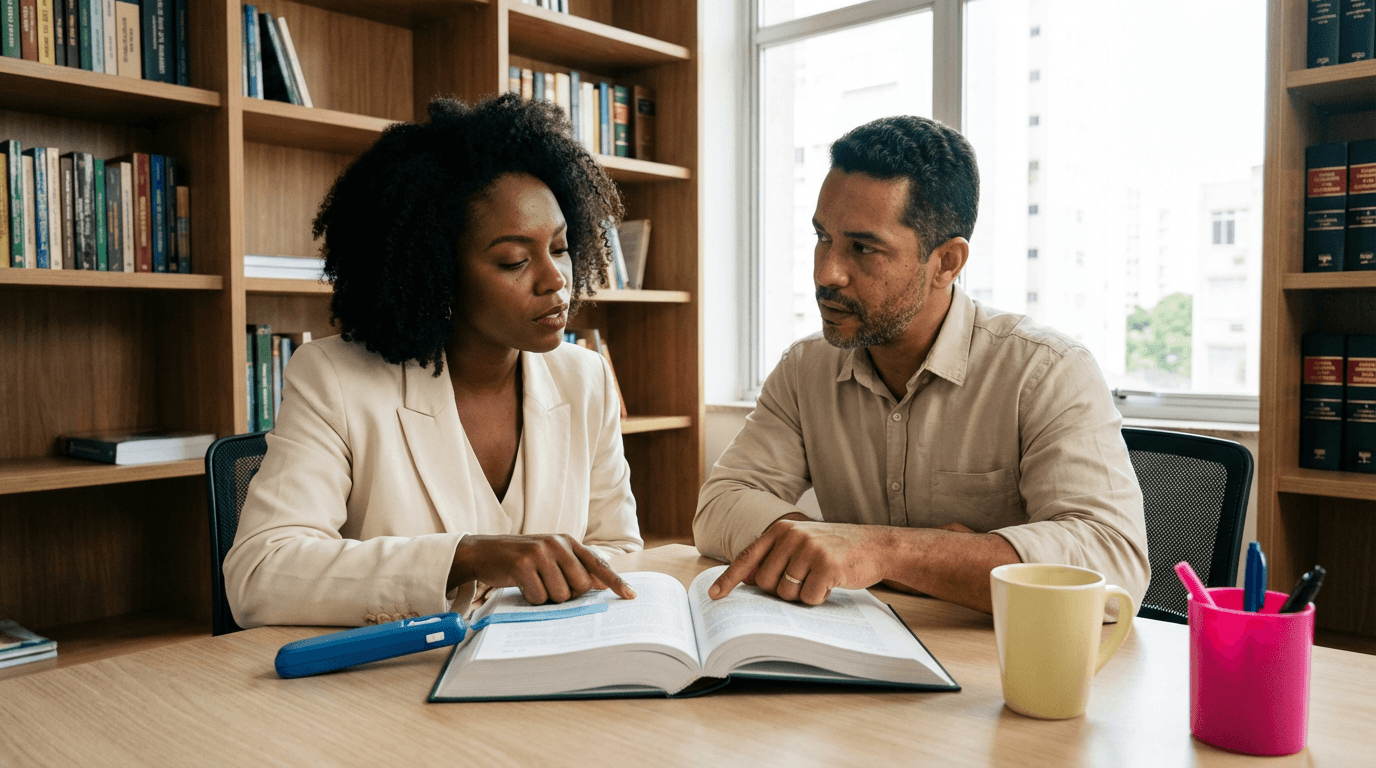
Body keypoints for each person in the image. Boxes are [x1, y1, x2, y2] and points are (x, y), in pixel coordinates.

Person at [696, 116, 1148, 616]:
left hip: (995, 657)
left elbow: (1115, 563)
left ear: (947, 262)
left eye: (863, 248)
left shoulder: (1047, 371)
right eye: (823, 238)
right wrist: (830, 548)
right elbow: (721, 504)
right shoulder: (806, 368)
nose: (827, 273)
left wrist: (886, 553)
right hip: (858, 643)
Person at [224, 94, 642, 628]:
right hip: (400, 674)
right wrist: (465, 557)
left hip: (548, 664)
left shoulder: (585, 378)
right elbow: (260, 572)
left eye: (559, 248)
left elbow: (618, 551)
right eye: (514, 260)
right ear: (438, 272)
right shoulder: (334, 379)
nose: (555, 278)